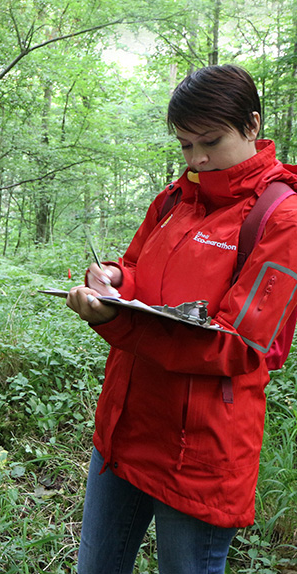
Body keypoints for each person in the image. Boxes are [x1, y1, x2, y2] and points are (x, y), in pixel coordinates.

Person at [66, 64, 297, 573]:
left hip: (199, 454)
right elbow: (133, 266)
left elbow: (239, 345)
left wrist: (116, 322)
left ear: (253, 125)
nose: (199, 159)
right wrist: (113, 279)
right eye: (186, 145)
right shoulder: (175, 199)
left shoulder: (281, 217)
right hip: (125, 430)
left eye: (211, 141)